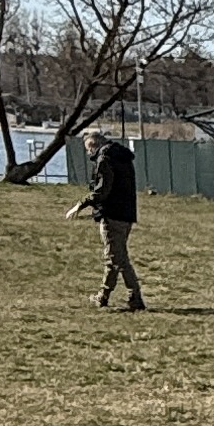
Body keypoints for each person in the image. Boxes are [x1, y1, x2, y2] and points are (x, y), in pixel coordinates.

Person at [73, 128, 145, 308]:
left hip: (112, 213)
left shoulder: (104, 159)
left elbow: (102, 190)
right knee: (118, 256)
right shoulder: (123, 156)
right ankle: (111, 296)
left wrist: (81, 204)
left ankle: (128, 296)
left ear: (93, 145)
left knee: (115, 258)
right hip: (127, 213)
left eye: (88, 150)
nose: (89, 154)